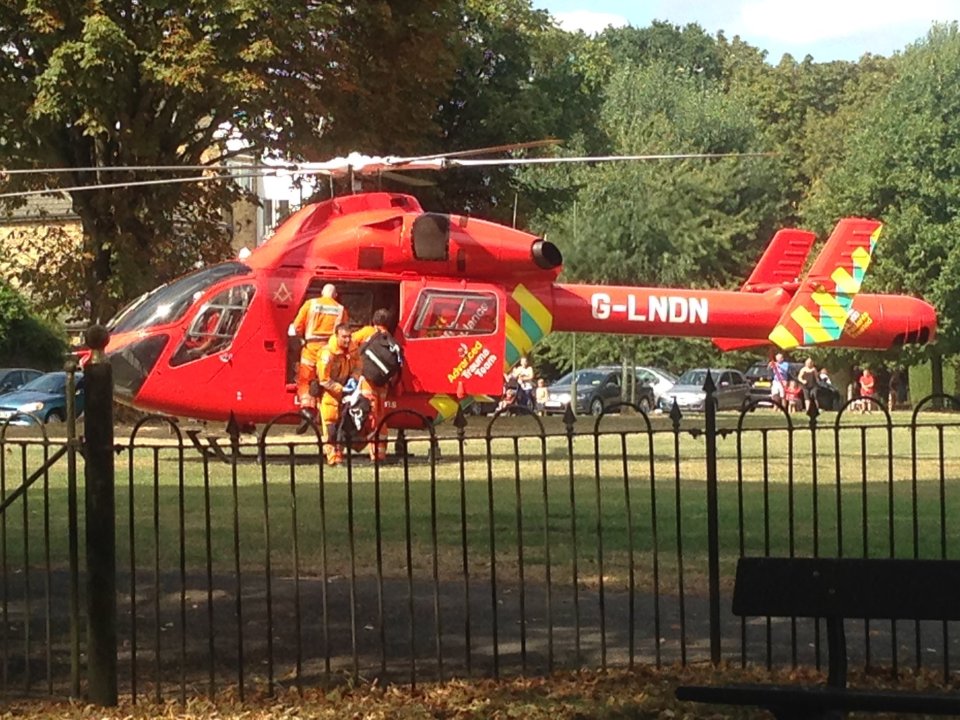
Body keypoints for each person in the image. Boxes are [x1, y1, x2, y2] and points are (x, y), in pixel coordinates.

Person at [290, 284, 348, 425]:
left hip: (311, 349)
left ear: (322, 292)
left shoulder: (311, 304)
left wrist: (302, 339)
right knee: (326, 381)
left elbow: (296, 327)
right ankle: (325, 416)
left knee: (305, 380)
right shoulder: (341, 310)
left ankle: (307, 409)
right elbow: (344, 333)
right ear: (335, 295)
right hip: (329, 352)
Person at [351, 308, 401, 461]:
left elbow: (349, 342)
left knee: (369, 415)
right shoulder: (390, 340)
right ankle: (380, 453)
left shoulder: (367, 332)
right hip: (382, 384)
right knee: (380, 417)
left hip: (368, 381)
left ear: (374, 321)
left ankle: (368, 450)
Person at [315, 323, 362, 465]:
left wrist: (354, 379)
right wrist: (341, 389)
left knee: (344, 425)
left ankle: (340, 455)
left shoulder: (352, 349)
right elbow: (324, 379)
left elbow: (359, 366)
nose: (347, 340)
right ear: (336, 336)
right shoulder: (327, 353)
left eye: (349, 336)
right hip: (330, 392)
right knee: (330, 425)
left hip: (346, 390)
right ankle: (331, 458)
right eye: (344, 337)